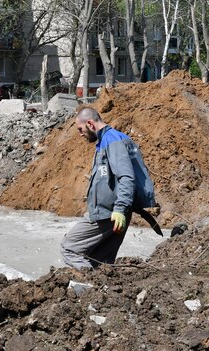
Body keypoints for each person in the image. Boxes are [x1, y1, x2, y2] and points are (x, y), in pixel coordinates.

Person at [61, 106, 155, 269]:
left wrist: (119, 209)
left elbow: (126, 177)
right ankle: (100, 291)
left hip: (110, 214)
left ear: (90, 123)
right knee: (101, 262)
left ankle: (89, 287)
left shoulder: (111, 141)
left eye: (80, 129)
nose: (80, 134)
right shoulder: (111, 139)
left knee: (69, 248)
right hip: (115, 213)